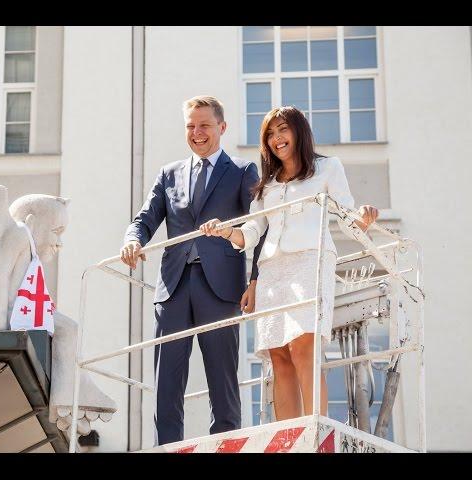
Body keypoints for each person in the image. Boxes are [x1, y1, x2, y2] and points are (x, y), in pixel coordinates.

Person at [200, 106, 378, 421]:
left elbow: (347, 215)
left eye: (283, 129)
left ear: (298, 132)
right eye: (270, 134)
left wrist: (362, 219)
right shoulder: (266, 184)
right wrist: (226, 230)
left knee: (304, 347)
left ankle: (313, 429)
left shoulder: (327, 168)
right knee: (278, 356)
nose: (277, 138)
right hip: (272, 271)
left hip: (310, 261)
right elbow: (252, 231)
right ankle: (289, 437)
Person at [121, 95, 265, 445]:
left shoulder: (243, 172)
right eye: (191, 126)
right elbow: (145, 218)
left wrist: (255, 280)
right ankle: (167, 448)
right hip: (172, 288)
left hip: (221, 287)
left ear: (222, 127)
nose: (197, 132)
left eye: (204, 125)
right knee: (166, 382)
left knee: (222, 381)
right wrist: (132, 239)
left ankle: (226, 446)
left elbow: (260, 227)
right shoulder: (168, 173)